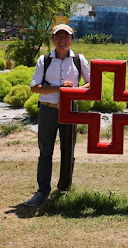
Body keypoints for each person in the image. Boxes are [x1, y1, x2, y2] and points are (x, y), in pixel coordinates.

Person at [24, 24, 90, 207]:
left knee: (68, 152)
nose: (62, 40)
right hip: (48, 110)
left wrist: (74, 91)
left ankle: (64, 190)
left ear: (72, 40)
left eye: (66, 37)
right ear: (53, 39)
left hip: (70, 111)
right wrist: (60, 89)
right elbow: (34, 87)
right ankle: (43, 191)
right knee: (45, 152)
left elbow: (91, 83)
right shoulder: (44, 60)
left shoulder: (78, 59)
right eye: (58, 37)